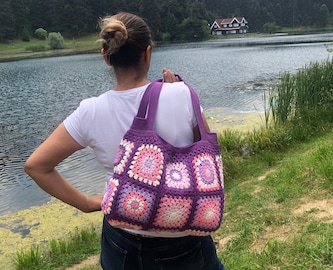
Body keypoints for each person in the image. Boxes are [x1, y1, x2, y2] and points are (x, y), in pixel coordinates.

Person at [25, 12, 225, 270]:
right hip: (184, 235)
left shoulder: (91, 111)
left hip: (122, 241)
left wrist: (87, 204)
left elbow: (36, 166)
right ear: (148, 53)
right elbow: (206, 153)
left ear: (106, 57)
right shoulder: (181, 94)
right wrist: (177, 91)